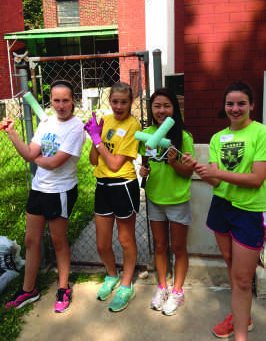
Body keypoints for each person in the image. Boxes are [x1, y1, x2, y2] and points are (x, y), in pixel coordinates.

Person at [181, 81, 266, 340]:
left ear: (252, 105)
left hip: (250, 211)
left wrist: (218, 173)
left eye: (241, 103)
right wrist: (200, 169)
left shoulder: (260, 133)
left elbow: (257, 179)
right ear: (224, 106)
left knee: (242, 279)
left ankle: (240, 334)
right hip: (221, 208)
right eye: (230, 103)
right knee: (231, 264)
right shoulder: (218, 138)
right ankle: (242, 315)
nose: (235, 108)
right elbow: (216, 181)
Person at [4, 80, 85, 313]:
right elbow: (29, 152)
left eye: (65, 100)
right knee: (31, 241)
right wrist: (12, 134)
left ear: (73, 101)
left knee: (58, 242)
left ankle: (63, 288)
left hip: (60, 191)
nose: (61, 105)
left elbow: (54, 162)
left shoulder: (76, 127)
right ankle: (28, 290)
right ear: (50, 101)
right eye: (56, 100)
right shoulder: (47, 122)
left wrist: (35, 159)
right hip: (39, 189)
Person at [84, 82, 141, 312]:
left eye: (124, 102)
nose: (119, 106)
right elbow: (93, 160)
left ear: (131, 102)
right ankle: (111, 275)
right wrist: (93, 136)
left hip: (123, 185)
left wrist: (97, 140)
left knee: (125, 240)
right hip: (102, 185)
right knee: (102, 243)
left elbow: (116, 165)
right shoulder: (105, 120)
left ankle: (126, 285)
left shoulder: (133, 125)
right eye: (115, 101)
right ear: (109, 101)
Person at [139, 88, 195, 316]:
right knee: (160, 246)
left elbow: (188, 172)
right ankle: (162, 287)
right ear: (151, 109)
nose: (161, 110)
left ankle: (178, 290)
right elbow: (147, 165)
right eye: (157, 106)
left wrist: (174, 162)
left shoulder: (184, 136)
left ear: (174, 109)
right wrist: (143, 171)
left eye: (166, 106)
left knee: (178, 248)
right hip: (154, 198)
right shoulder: (147, 134)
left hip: (177, 199)